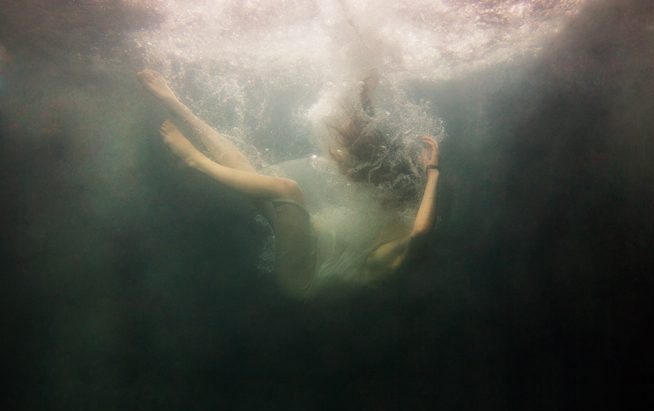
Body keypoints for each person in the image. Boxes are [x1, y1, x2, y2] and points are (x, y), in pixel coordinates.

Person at [137, 69, 440, 296]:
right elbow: (371, 161)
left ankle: (196, 162)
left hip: (304, 277)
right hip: (311, 242)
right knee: (252, 173)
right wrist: (364, 96)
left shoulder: (397, 258)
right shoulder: (399, 210)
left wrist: (434, 172)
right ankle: (178, 106)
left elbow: (420, 232)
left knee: (286, 189)